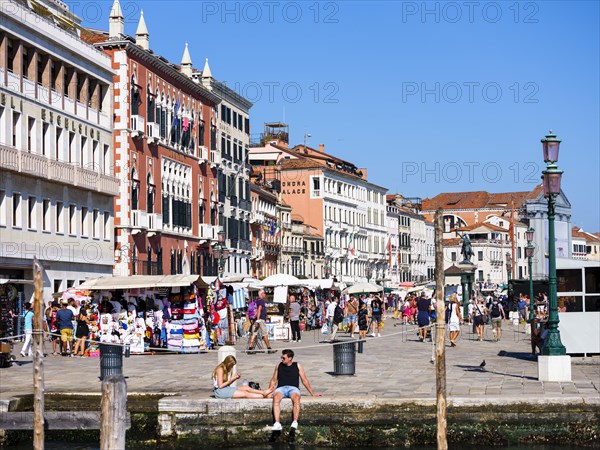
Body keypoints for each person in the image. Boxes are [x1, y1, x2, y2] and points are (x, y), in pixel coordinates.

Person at [268, 349, 321, 442]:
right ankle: (277, 423)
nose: (282, 359)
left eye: (283, 357)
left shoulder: (297, 365)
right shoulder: (279, 365)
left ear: (290, 358)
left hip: (293, 388)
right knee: (276, 398)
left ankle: (295, 422)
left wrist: (312, 393)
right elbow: (273, 379)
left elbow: (304, 380)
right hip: (281, 388)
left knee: (296, 398)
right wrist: (268, 392)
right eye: (281, 357)